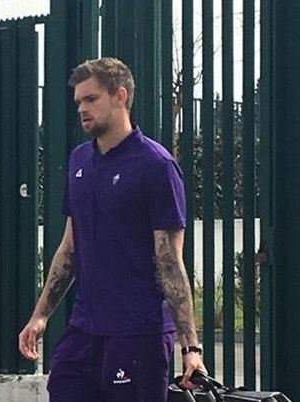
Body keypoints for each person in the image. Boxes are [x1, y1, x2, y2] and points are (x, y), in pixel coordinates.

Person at [18, 57, 206, 402]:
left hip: (138, 333)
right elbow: (69, 248)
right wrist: (40, 315)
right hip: (84, 330)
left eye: (91, 99)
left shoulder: (156, 165)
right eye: (78, 101)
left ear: (120, 96)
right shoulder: (78, 160)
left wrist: (190, 347)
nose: (82, 108)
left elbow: (169, 262)